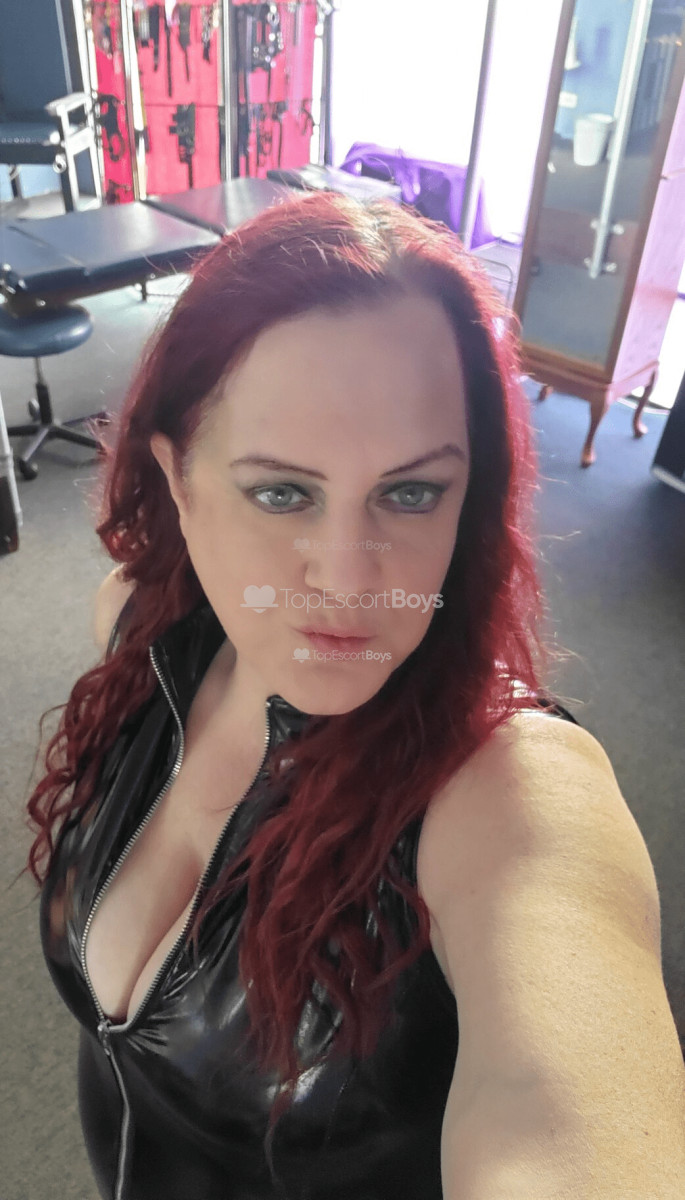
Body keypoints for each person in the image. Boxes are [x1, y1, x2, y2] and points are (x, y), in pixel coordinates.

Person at [28, 192, 685, 1200]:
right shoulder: (141, 633)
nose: (348, 579)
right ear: (180, 481)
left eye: (409, 492)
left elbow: (568, 1117)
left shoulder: (512, 791)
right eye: (282, 492)